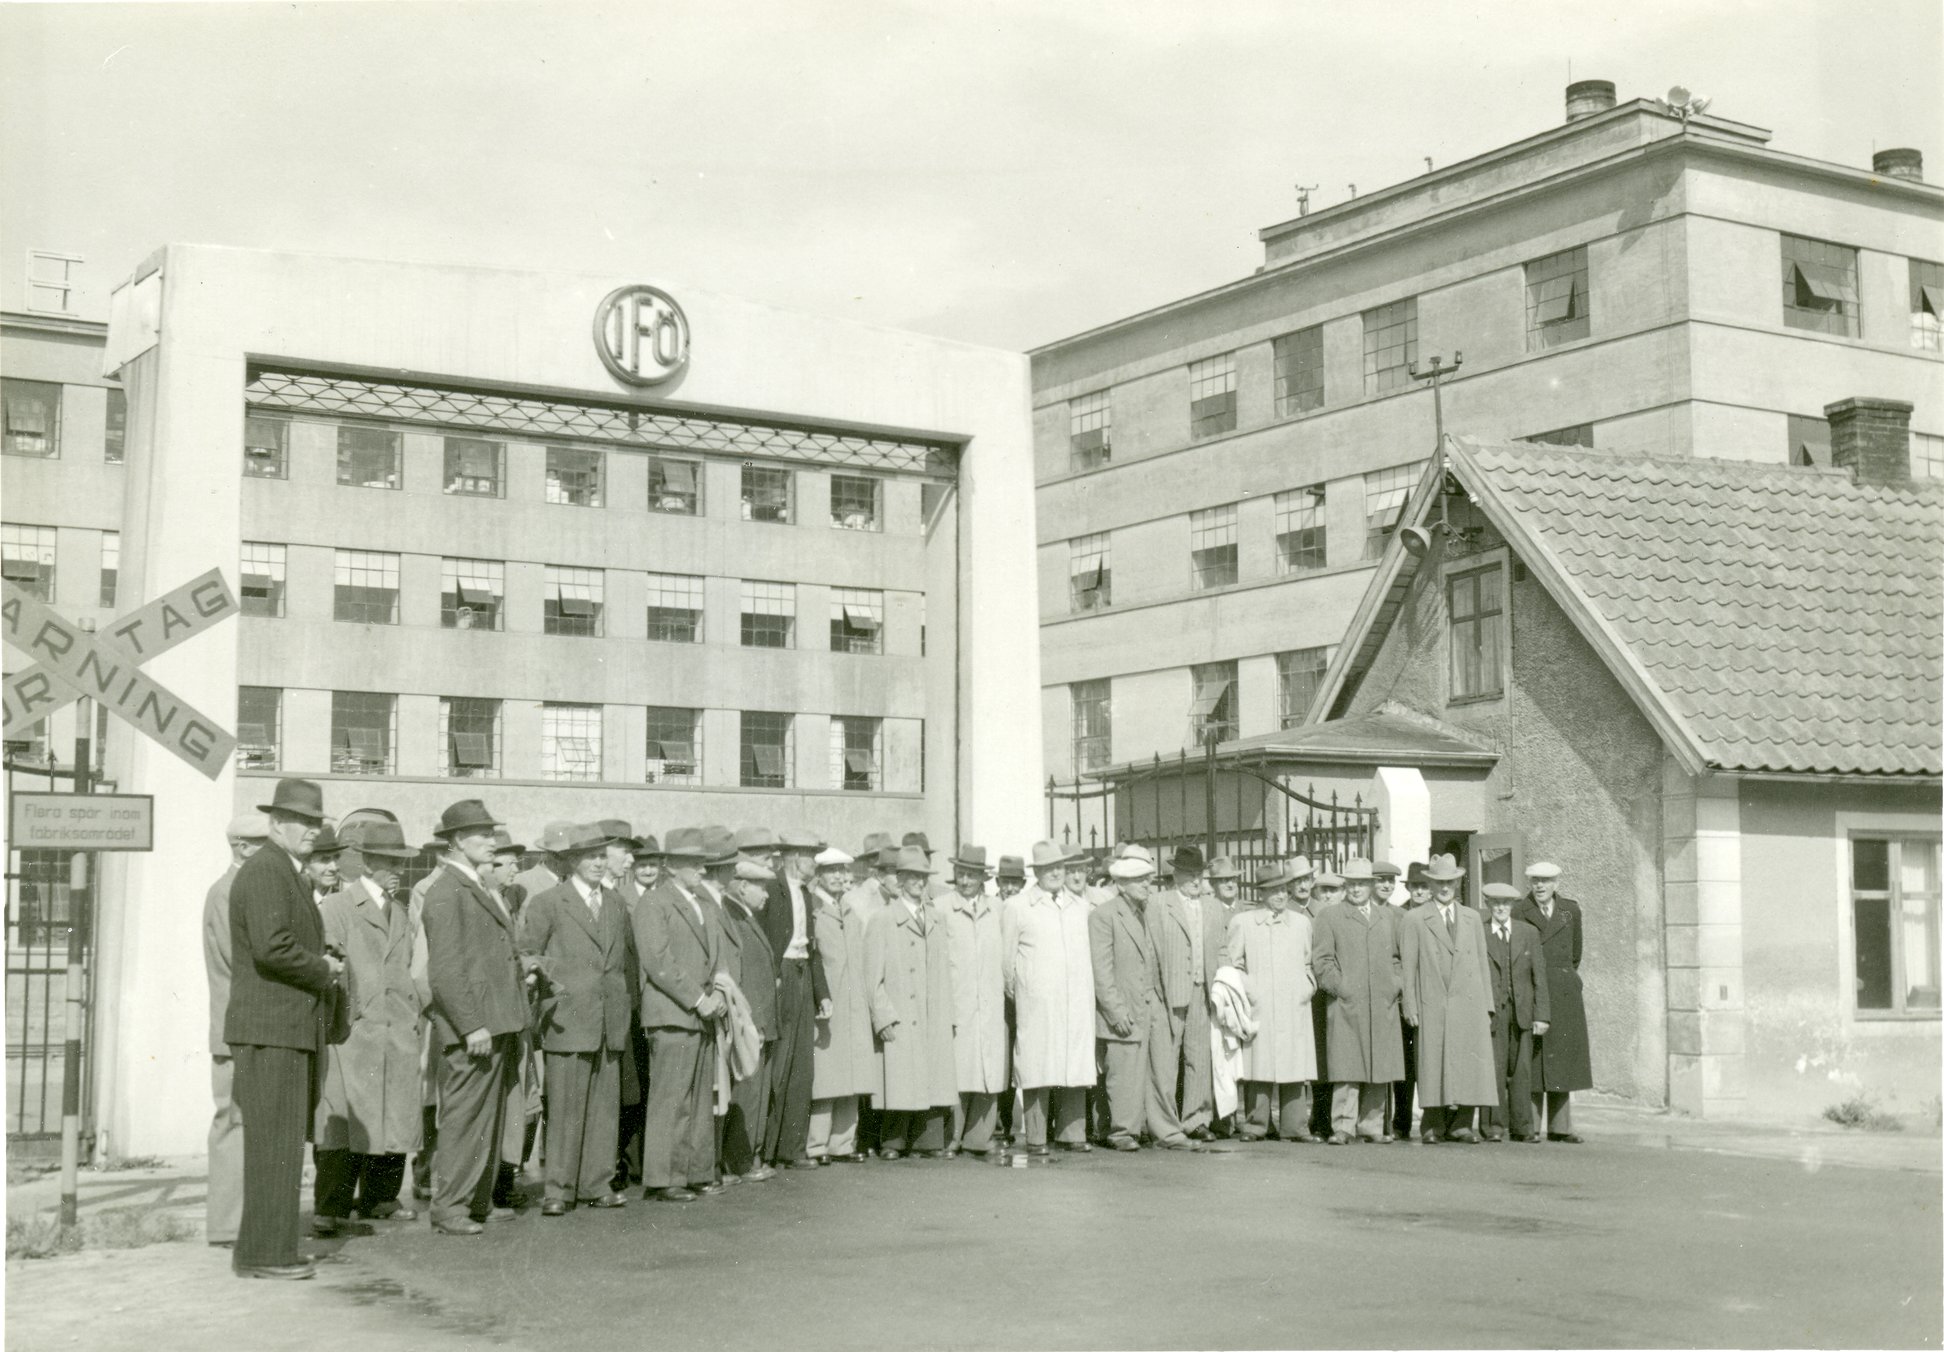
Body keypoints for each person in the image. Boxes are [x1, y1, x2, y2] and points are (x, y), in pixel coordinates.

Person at [225, 778, 343, 1280]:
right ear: (275, 824)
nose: (312, 831)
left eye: (316, 823)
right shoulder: (269, 870)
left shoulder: (281, 871)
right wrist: (324, 968)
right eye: (303, 822)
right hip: (274, 1029)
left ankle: (267, 1249)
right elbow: (272, 948)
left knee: (279, 1144)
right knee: (275, 1146)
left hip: (283, 1027)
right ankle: (265, 1254)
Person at [421, 799, 528, 1236]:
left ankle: (477, 1201)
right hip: (476, 1027)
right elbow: (446, 971)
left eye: (491, 833)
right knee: (465, 1118)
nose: (492, 841)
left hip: (497, 1021)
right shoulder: (447, 891)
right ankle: (449, 1206)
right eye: (483, 834)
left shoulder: (478, 887)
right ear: (458, 841)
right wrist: (471, 1025)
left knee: (489, 1117)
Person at [312, 818, 424, 1236]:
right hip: (354, 1035)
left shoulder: (399, 910)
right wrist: (352, 1014)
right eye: (390, 861)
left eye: (400, 861)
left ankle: (381, 1198)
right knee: (346, 1122)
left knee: (394, 1118)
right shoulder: (338, 907)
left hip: (397, 1031)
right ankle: (331, 1207)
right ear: (367, 861)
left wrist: (412, 1016)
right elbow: (330, 964)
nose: (397, 869)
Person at [520, 823, 635, 1215]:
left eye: (603, 856)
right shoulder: (548, 902)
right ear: (570, 861)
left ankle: (596, 1183)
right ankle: (559, 1189)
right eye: (590, 857)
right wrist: (551, 985)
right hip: (567, 1019)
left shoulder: (617, 904)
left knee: (604, 1106)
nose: (598, 864)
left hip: (609, 1018)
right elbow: (527, 953)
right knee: (566, 1107)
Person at [634, 827, 728, 1201]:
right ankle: (664, 1179)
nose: (701, 871)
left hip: (701, 1013)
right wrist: (697, 998)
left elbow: (716, 956)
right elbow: (658, 962)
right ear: (671, 866)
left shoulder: (703, 904)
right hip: (672, 1014)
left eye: (703, 864)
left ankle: (695, 1171)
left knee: (700, 1099)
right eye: (693, 864)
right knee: (671, 1099)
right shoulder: (654, 903)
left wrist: (719, 990)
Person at [1090, 846, 1191, 1152]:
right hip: (1124, 1008)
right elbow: (1102, 971)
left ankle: (1167, 1132)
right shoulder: (1103, 916)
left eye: (1148, 879)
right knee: (1124, 1076)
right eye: (1138, 880)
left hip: (1154, 1005)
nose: (1146, 885)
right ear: (1120, 884)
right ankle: (1123, 1132)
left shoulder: (1152, 913)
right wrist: (1115, 1011)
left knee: (1161, 1072)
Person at [864, 846, 957, 1158]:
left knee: (932, 1075)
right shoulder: (883, 919)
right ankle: (892, 1141)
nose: (920, 882)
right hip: (902, 1012)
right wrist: (883, 1016)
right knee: (901, 1076)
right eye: (913, 876)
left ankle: (928, 1140)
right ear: (899, 879)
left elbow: (946, 971)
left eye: (923, 876)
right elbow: (871, 976)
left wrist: (949, 1015)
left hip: (933, 1014)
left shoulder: (937, 919)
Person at [203, 811, 268, 1249]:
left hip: (245, 1025)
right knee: (233, 1122)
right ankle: (227, 1225)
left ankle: (243, 1219)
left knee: (246, 1123)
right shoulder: (230, 892)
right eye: (263, 845)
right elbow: (244, 962)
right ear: (241, 847)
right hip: (238, 1028)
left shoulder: (242, 889)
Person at [1399, 855, 1497, 1144]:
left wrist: (1487, 1005)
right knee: (1433, 1060)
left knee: (1468, 1061)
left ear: (1457, 882)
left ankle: (1462, 1124)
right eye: (1439, 882)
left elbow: (1481, 962)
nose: (1445, 887)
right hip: (1433, 1002)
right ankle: (1433, 1125)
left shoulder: (1472, 918)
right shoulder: (1415, 918)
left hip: (1469, 1003)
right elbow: (1408, 967)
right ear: (1430, 883)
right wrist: (1410, 1004)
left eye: (1449, 881)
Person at [1310, 859, 1405, 1144]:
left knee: (1380, 1064)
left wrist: (1394, 985)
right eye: (1351, 883)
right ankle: (1343, 1125)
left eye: (1362, 883)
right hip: (1346, 1003)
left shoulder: (1388, 918)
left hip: (1381, 1002)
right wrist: (1342, 988)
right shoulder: (1329, 917)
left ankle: (1372, 1125)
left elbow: (1398, 958)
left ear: (1371, 885)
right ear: (1344, 886)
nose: (1356, 889)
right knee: (1347, 1065)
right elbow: (1322, 961)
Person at [1226, 861, 1318, 1141]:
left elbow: (1307, 962)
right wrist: (1250, 988)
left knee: (1294, 1064)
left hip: (1294, 1003)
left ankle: (1295, 1125)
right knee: (1259, 1065)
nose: (1280, 895)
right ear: (1261, 894)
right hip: (1260, 1004)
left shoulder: (1301, 923)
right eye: (1272, 890)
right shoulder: (1244, 922)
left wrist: (1306, 987)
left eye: (1282, 889)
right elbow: (1233, 963)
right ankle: (1256, 1124)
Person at [760, 828, 830, 1170]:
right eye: (810, 857)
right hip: (781, 976)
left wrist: (822, 993)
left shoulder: (805, 894)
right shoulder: (771, 890)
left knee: (802, 1066)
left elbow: (812, 947)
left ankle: (793, 1148)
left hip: (802, 975)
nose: (814, 863)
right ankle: (767, 1149)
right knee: (778, 1064)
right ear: (793, 858)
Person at [1151, 846, 1226, 1142]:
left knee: (1199, 1058)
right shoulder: (1159, 903)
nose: (1196, 880)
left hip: (1202, 991)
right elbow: (1151, 947)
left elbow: (1221, 949)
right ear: (1176, 874)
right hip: (1168, 991)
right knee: (1166, 1060)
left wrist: (1221, 985)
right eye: (1190, 874)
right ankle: (1164, 1123)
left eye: (1200, 874)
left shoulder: (1213, 906)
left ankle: (1196, 1119)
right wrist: (1156, 989)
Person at [1516, 862, 1591, 1143]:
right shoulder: (1519, 911)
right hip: (1533, 988)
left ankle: (1561, 1127)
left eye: (1546, 881)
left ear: (1556, 884)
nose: (1540, 886)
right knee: (1533, 1058)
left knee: (1562, 1058)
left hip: (1563, 992)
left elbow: (1575, 954)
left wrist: (1562, 979)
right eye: (1535, 881)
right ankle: (1530, 1124)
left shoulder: (1570, 911)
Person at [808, 848, 873, 1164]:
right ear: (818, 874)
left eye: (841, 870)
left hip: (853, 1004)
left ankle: (843, 1143)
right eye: (830, 870)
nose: (837, 876)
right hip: (828, 1004)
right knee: (826, 1077)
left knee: (851, 1077)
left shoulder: (849, 910)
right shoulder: (814, 909)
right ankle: (817, 1144)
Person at [719, 858, 780, 1184]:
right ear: (742, 886)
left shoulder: (743, 915)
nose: (766, 895)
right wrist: (746, 1020)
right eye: (761, 887)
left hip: (759, 1019)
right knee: (747, 1092)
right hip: (751, 1020)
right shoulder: (732, 916)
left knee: (755, 1092)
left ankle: (749, 1156)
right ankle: (740, 1159)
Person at [945, 845, 1007, 1159]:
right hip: (959, 1000)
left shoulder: (997, 909)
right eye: (961, 873)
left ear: (983, 877)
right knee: (958, 1070)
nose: (965, 880)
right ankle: (952, 1136)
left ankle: (979, 1138)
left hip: (991, 1002)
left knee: (988, 1071)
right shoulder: (942, 908)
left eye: (972, 874)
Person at [1481, 882, 1550, 1143]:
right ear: (1488, 905)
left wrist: (1542, 1014)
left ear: (1512, 906)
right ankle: (1493, 1127)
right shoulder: (1480, 932)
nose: (1500, 908)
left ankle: (1523, 1127)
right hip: (1493, 1012)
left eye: (1506, 903)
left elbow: (1539, 977)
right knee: (1494, 1069)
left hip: (1523, 1011)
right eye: (1495, 903)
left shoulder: (1528, 933)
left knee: (1522, 1070)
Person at [1392, 859, 1434, 1138]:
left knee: (1432, 1060)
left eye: (1424, 887)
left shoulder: (1437, 915)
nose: (1419, 892)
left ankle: (1436, 1119)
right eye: (1415, 887)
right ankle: (1402, 1120)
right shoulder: (1398, 915)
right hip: (1404, 998)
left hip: (1432, 997)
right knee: (1405, 1064)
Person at [304, 826, 343, 905]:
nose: (334, 868)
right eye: (325, 859)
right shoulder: (295, 899)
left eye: (336, 858)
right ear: (306, 864)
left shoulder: (347, 901)